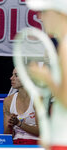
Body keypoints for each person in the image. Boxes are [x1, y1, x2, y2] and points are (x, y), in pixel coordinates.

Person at [26, 0, 67, 149]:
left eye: (44, 12)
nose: (39, 17)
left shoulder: (65, 47)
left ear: (60, 13)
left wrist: (46, 79)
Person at [3, 68, 39, 145]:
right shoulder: (8, 101)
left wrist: (19, 123)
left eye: (16, 75)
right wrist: (10, 124)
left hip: (36, 144)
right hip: (16, 143)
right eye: (12, 75)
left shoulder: (38, 100)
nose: (11, 78)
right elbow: (7, 135)